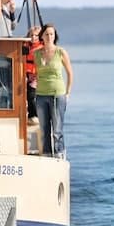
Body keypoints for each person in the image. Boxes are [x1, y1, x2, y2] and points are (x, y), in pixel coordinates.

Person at [34, 23, 73, 157]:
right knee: (44, 129)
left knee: (57, 130)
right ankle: (46, 155)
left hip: (57, 95)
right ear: (42, 36)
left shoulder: (61, 52)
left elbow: (70, 73)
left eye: (52, 34)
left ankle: (59, 156)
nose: (49, 36)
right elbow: (34, 74)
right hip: (40, 96)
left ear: (55, 36)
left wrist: (68, 93)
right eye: (47, 34)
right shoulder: (36, 54)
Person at [23, 26, 41, 123]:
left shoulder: (42, 48)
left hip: (36, 76)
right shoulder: (26, 45)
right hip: (26, 74)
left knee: (31, 95)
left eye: (36, 36)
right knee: (25, 95)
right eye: (32, 35)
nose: (33, 37)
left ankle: (35, 115)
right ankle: (30, 115)